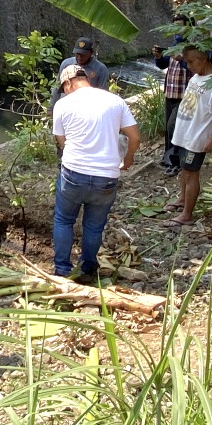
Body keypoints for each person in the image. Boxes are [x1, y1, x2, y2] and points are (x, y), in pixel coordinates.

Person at [51, 63, 140, 284]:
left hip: (73, 174)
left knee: (63, 220)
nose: (64, 91)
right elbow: (135, 137)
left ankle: (62, 269)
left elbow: (61, 142)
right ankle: (87, 268)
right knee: (93, 225)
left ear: (69, 82)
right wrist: (128, 158)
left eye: (64, 87)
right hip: (107, 177)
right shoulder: (115, 101)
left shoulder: (62, 105)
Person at [167, 47, 212, 227]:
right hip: (185, 133)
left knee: (190, 172)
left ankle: (187, 214)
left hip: (197, 136)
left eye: (191, 62)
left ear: (203, 59)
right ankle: (182, 199)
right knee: (183, 168)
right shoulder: (197, 76)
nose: (188, 66)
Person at [151, 38, 189, 174]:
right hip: (170, 94)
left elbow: (194, 66)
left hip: (183, 96)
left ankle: (177, 161)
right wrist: (159, 57)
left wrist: (181, 59)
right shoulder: (173, 45)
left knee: (173, 127)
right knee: (169, 128)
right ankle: (168, 158)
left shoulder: (192, 47)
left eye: (181, 25)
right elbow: (163, 64)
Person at [48, 37, 111, 111]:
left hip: (87, 109)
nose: (79, 57)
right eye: (77, 54)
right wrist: (51, 108)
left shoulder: (100, 69)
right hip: (66, 107)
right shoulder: (66, 64)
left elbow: (103, 94)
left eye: (83, 55)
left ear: (91, 52)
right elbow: (57, 87)